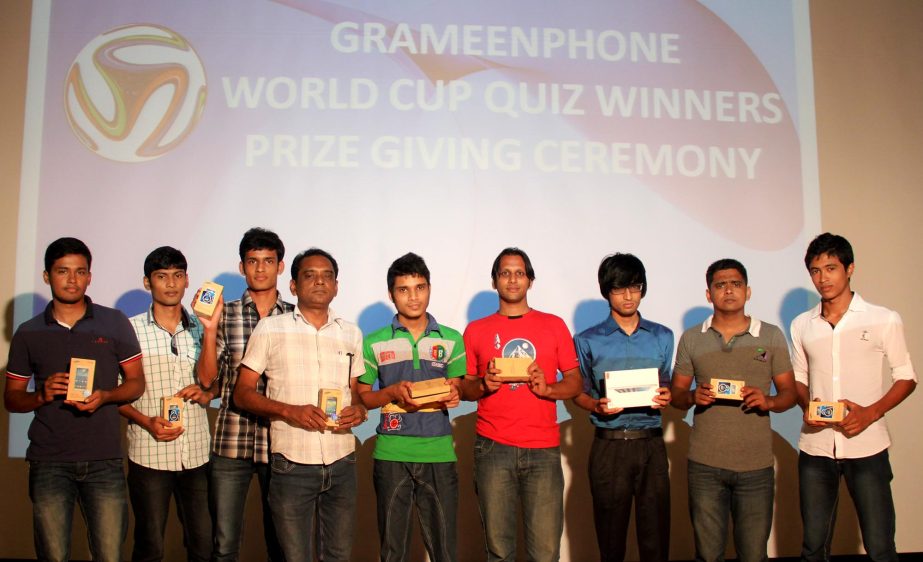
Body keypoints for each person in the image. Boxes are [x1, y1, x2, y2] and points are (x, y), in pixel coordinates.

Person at [4, 237, 144, 562]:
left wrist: (107, 395)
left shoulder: (114, 322)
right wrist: (41, 394)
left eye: (80, 272)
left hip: (104, 461)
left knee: (109, 556)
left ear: (89, 276)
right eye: (62, 271)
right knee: (53, 555)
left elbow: (136, 384)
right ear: (46, 276)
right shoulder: (28, 332)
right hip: (49, 462)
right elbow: (11, 399)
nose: (72, 279)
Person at [234, 248, 367, 562]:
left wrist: (359, 410)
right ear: (293, 285)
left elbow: (356, 392)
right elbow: (242, 393)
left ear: (336, 286)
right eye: (310, 275)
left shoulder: (351, 333)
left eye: (327, 276)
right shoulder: (270, 328)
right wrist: (289, 411)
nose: (320, 282)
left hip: (342, 461)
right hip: (292, 463)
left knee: (339, 556)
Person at [791, 233, 916, 562]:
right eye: (815, 271)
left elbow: (907, 376)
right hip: (816, 448)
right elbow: (800, 378)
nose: (823, 278)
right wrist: (806, 406)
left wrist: (871, 413)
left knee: (879, 547)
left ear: (850, 269)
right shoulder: (802, 324)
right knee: (813, 548)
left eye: (831, 268)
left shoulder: (882, 318)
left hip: (868, 446)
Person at [460, 247, 582, 562]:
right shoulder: (475, 330)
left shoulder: (553, 325)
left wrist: (548, 388)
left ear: (530, 280)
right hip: (492, 448)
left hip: (543, 447)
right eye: (505, 273)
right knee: (499, 551)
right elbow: (464, 388)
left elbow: (575, 382)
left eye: (519, 273)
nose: (512, 280)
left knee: (545, 552)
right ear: (494, 281)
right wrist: (484, 385)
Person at [670, 258, 796, 562]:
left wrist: (769, 402)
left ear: (748, 291)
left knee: (753, 555)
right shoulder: (691, 338)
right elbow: (675, 395)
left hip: (756, 466)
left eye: (736, 284)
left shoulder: (770, 336)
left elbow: (790, 393)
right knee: (708, 554)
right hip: (704, 465)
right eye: (720, 284)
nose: (729, 290)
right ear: (708, 294)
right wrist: (691, 397)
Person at [357, 253, 465, 562]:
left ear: (429, 288)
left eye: (419, 287)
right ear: (391, 294)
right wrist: (390, 392)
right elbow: (363, 396)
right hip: (391, 453)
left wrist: (455, 393)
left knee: (445, 550)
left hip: (439, 453)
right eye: (404, 289)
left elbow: (460, 388)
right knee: (393, 552)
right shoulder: (373, 341)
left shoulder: (451, 339)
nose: (413, 296)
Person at [196, 227, 292, 561]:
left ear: (281, 266)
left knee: (280, 543)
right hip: (230, 441)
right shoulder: (227, 314)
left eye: (268, 261)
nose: (261, 268)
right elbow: (207, 381)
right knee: (224, 545)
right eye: (253, 261)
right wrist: (209, 331)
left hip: (281, 442)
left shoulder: (295, 317)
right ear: (242, 267)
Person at [572, 253, 673, 562]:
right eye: (619, 288)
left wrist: (666, 396)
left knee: (656, 539)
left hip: (651, 444)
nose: (628, 296)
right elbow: (578, 392)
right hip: (609, 447)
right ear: (607, 291)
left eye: (635, 287)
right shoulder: (588, 340)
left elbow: (666, 383)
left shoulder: (662, 336)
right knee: (611, 540)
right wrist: (596, 406)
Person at [121, 246, 213, 562]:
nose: (171, 284)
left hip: (197, 453)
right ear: (148, 283)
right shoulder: (129, 330)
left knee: (203, 545)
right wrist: (146, 422)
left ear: (187, 280)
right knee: (150, 545)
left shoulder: (202, 328)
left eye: (177, 276)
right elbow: (113, 394)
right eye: (162, 277)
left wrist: (208, 394)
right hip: (149, 453)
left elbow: (213, 383)